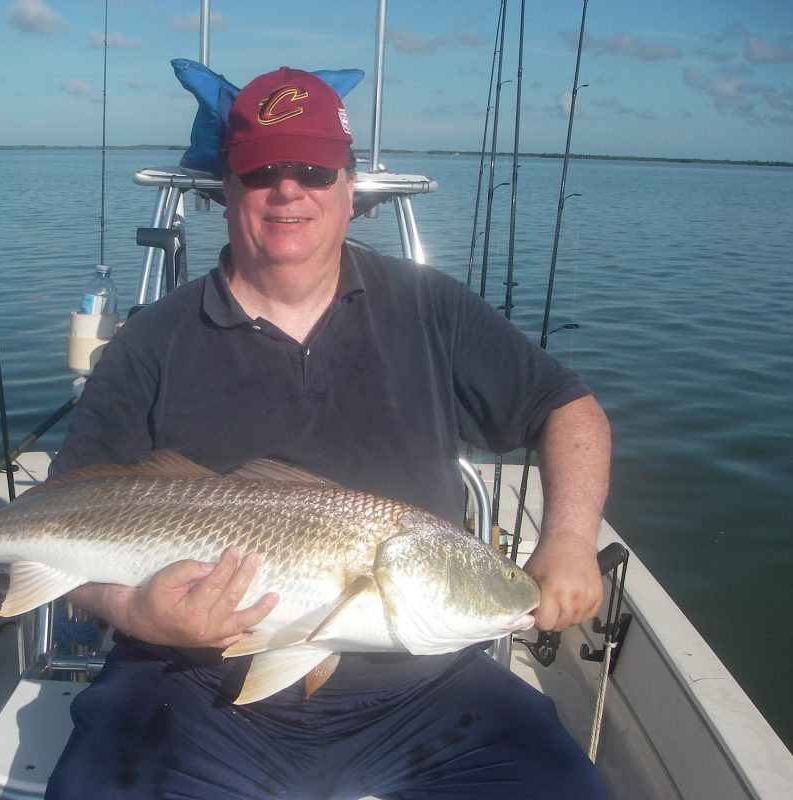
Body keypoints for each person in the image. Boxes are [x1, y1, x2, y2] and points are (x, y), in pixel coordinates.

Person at [45, 66, 610, 799]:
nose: (288, 190)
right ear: (226, 190)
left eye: (313, 169)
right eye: (261, 171)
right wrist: (132, 609)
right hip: (183, 678)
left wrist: (566, 539)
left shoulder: (429, 308)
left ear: (350, 191)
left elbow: (566, 408)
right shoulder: (151, 341)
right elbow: (61, 512)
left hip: (423, 686)